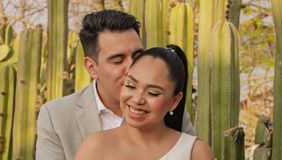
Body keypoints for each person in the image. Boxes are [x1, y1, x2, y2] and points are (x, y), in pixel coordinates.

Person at [35, 10, 196, 160]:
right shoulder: (56, 117)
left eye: (138, 56)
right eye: (118, 60)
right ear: (92, 68)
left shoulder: (164, 107)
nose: (133, 67)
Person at [74, 44, 214, 160]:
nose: (137, 99)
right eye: (130, 86)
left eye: (152, 93)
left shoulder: (195, 152)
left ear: (175, 101)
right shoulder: (96, 147)